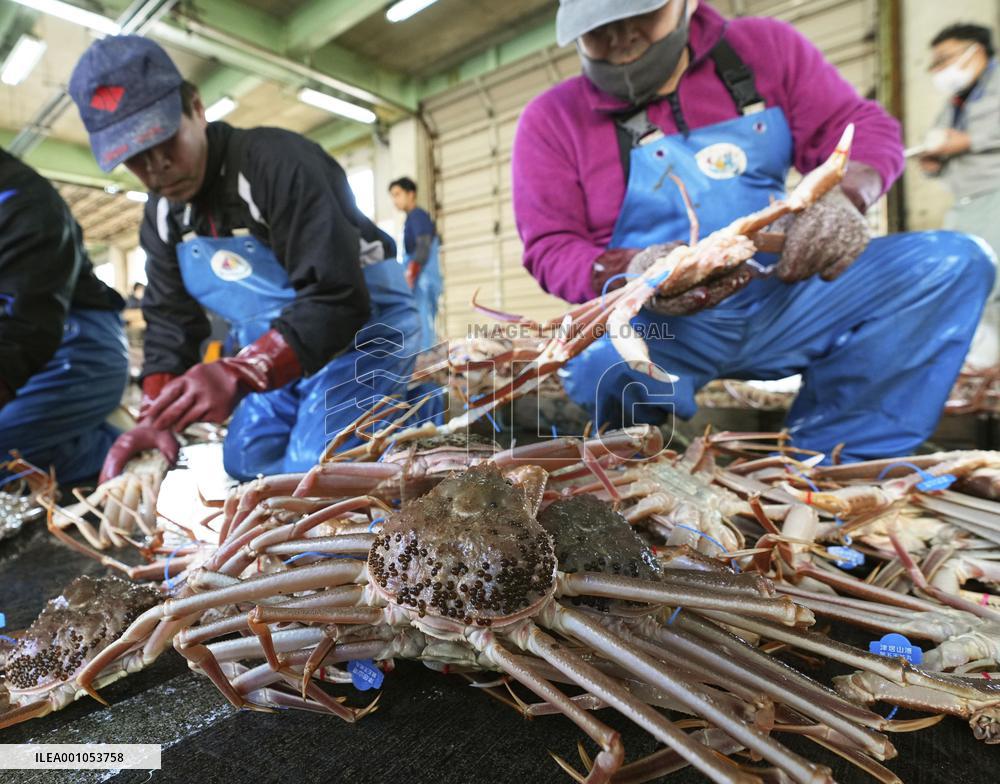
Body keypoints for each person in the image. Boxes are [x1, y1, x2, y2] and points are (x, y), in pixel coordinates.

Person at [512, 0, 995, 461]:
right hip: (664, 326)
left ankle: (833, 463)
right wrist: (631, 270)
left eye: (640, 13)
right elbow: (551, 245)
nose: (621, 36)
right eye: (598, 27)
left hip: (788, 293)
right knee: (602, 366)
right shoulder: (550, 120)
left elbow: (856, 125)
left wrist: (844, 196)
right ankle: (638, 463)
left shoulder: (765, 48)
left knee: (952, 264)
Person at [69, 36, 420, 482]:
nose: (158, 166)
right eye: (135, 157)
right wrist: (154, 418)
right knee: (248, 460)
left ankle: (415, 399)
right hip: (279, 343)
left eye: (165, 139)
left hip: (363, 328)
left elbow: (336, 296)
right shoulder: (160, 217)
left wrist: (244, 371)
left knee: (316, 472)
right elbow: (171, 320)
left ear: (196, 107)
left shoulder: (277, 164)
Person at [0, 149, 128, 483]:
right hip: (28, 347)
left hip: (79, 342)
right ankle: (68, 428)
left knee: (6, 457)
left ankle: (126, 449)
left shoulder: (23, 199)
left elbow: (24, 331)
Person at [920, 23, 1000, 368]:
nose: (939, 70)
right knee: (969, 282)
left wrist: (964, 141)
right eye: (934, 63)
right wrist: (932, 161)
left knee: (991, 285)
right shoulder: (957, 100)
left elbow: (969, 138)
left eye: (944, 59)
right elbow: (938, 141)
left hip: (994, 195)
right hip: (965, 201)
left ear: (976, 51)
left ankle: (987, 370)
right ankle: (982, 370)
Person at [388, 177, 442, 353]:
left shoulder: (417, 216)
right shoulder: (412, 219)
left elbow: (423, 247)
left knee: (422, 323)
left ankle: (426, 364)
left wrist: (410, 274)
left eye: (398, 194)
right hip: (421, 279)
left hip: (423, 280)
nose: (395, 200)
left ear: (411, 194)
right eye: (392, 196)